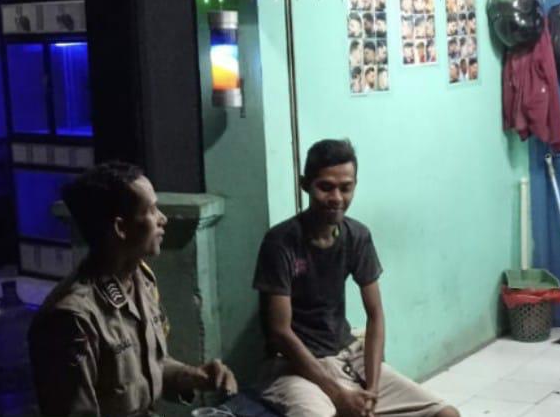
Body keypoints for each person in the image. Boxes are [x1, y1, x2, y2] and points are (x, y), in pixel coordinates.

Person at [253, 140, 459, 417]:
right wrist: (338, 394)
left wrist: (372, 391)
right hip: (294, 366)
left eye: (346, 188)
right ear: (305, 185)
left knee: (446, 414)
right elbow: (280, 332)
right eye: (326, 187)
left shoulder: (357, 236)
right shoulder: (281, 243)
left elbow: (375, 315)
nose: (336, 197)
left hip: (347, 355)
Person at [29, 162, 238, 416]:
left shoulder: (141, 280)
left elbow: (147, 367)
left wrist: (193, 376)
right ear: (121, 228)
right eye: (151, 210)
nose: (163, 219)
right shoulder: (72, 319)